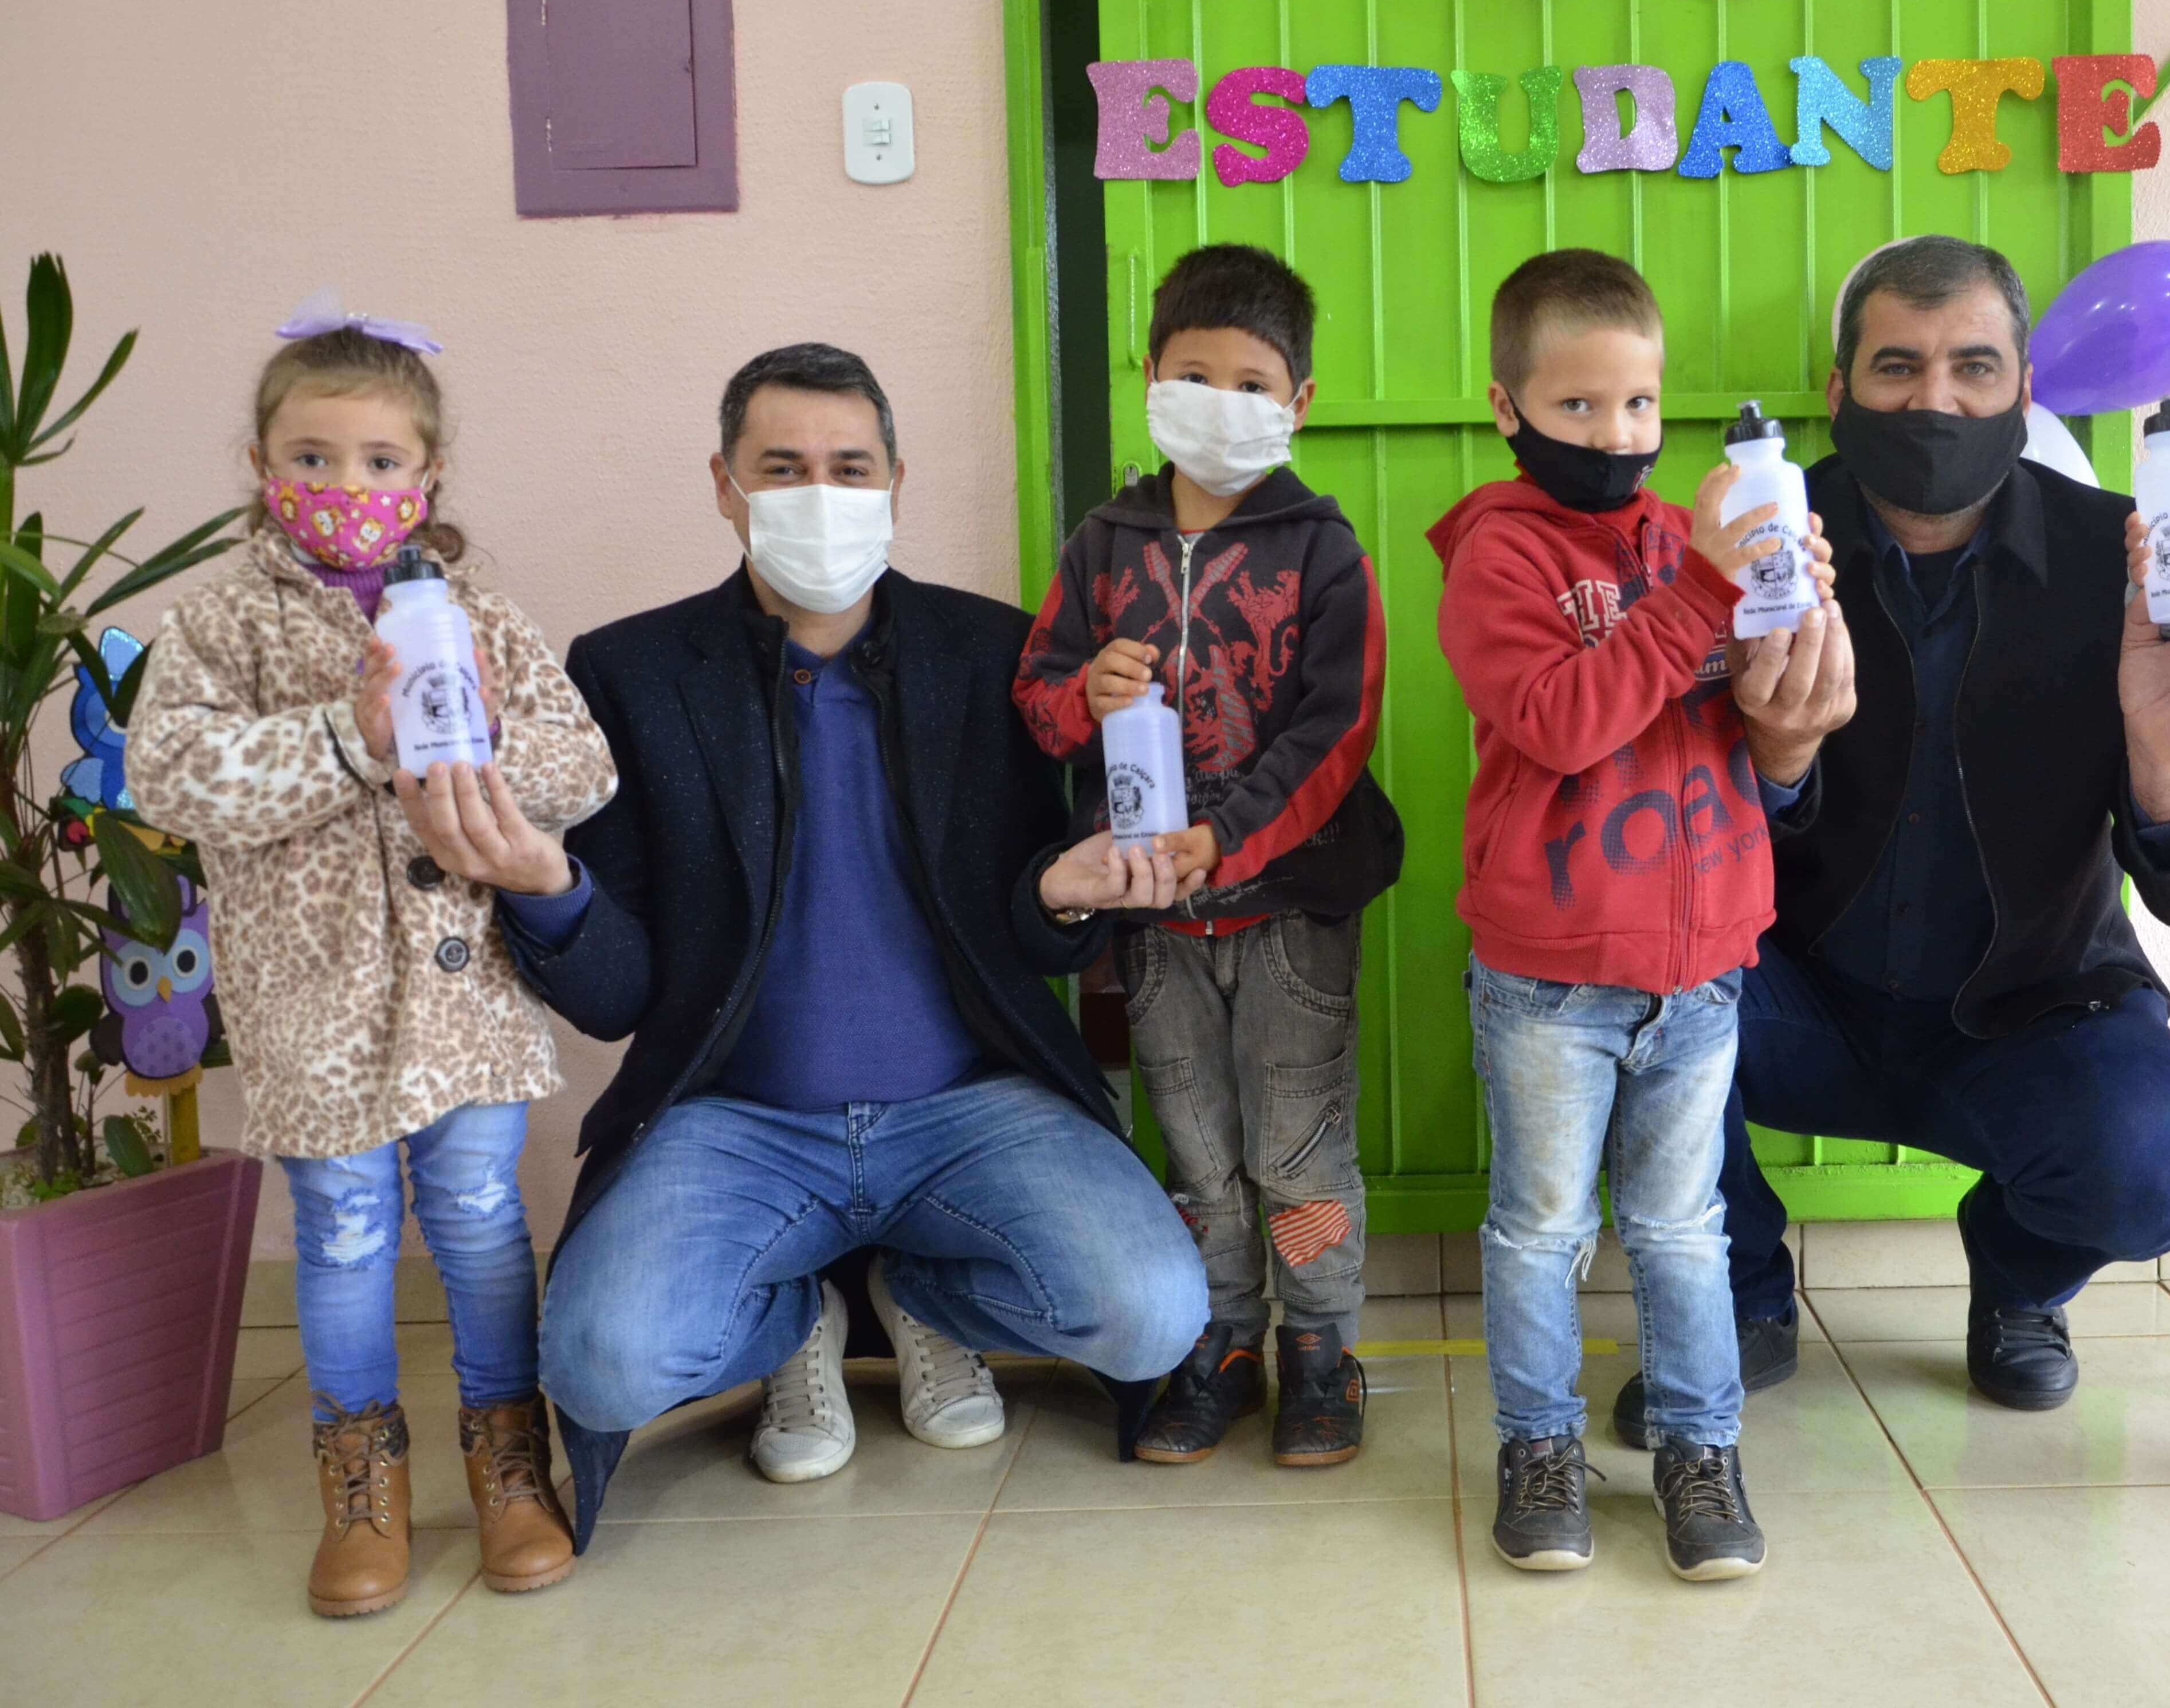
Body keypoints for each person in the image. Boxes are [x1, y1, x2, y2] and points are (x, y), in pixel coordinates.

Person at [398, 342, 1210, 1550]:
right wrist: (548, 884)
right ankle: (795, 1325)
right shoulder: (629, 672)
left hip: (972, 1109)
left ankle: (917, 1299)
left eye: (849, 466)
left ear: (896, 482)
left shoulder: (992, 655)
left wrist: (1062, 890)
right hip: (734, 1122)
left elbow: (1025, 939)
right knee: (602, 1364)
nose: (819, 495)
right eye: (782, 468)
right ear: (724, 485)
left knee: (1150, 1314)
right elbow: (621, 998)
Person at [1614, 235, 2170, 1446]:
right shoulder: (1752, 551)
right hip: (1786, 997)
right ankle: (1741, 1296)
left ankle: (2020, 1281)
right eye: (1895, 368)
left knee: (2150, 1163)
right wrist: (1774, 761)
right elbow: (1654, 843)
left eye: (1973, 369)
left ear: (2023, 389)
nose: (1935, 400)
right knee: (1596, 997)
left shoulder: (2123, 556)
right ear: (1837, 393)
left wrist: (2164, 752)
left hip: (2028, 1015)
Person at [132, 307, 618, 1615]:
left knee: (475, 1219)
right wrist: (347, 741)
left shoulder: (481, 618)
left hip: (468, 998)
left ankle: (509, 1460)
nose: (349, 487)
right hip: (315, 1004)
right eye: (316, 456)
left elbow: (585, 770)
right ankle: (361, 1479)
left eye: (380, 461)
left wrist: (479, 754)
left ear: (430, 475)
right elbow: (176, 776)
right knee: (345, 1232)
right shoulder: (223, 629)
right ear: (260, 463)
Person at [1430, 250, 1840, 1583]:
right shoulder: (1496, 554)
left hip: (1704, 964)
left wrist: (1790, 621)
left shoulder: (1686, 541)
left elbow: (1751, 728)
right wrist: (1711, 596)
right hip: (1550, 977)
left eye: (1642, 408)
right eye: (1581, 410)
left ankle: (1698, 1447)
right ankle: (1537, 1443)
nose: (1620, 438)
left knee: (1683, 1230)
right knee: (1541, 1230)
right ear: (1508, 408)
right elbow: (1556, 721)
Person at [1015, 245, 1403, 1467]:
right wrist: (1086, 689)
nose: (1222, 402)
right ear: (1149, 374)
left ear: (1299, 405)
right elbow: (1034, 704)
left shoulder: (1323, 551)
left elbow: (1334, 735)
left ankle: (1320, 1349)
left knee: (1296, 1145)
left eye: (1253, 383)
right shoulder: (1099, 547)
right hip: (1152, 923)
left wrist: (1226, 835)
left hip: (1289, 911)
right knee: (1192, 1144)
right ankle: (1222, 1343)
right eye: (1196, 374)